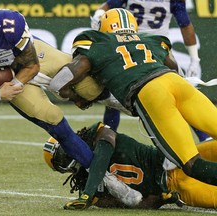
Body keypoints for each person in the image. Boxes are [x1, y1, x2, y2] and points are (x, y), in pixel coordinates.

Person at [49, 8, 217, 187]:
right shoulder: (151, 39)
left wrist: (76, 97)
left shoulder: (99, 42)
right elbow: (175, 69)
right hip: (178, 83)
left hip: (150, 92)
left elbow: (58, 82)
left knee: (191, 164)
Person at [0, 7, 99, 169]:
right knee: (53, 118)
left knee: (88, 85)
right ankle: (101, 179)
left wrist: (15, 84)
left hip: (31, 61)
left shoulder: (11, 26)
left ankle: (119, 105)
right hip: (7, 78)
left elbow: (32, 66)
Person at [91, 0, 209, 141]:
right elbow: (185, 25)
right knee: (179, 93)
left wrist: (97, 18)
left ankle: (106, 138)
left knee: (117, 91)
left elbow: (104, 9)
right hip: (152, 48)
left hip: (131, 47)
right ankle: (204, 138)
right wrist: (194, 58)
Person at [44, 122, 217, 210]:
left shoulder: (95, 135)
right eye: (61, 160)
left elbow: (105, 149)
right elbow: (134, 203)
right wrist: (161, 200)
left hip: (172, 160)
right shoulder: (93, 191)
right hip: (175, 187)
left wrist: (89, 189)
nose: (69, 156)